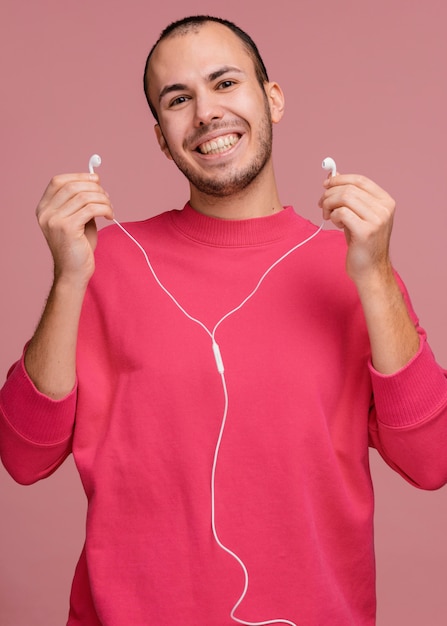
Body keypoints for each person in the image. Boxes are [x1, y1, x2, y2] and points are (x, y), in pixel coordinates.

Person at [1, 14, 447, 626]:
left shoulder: (354, 266)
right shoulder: (102, 260)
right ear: (161, 136)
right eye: (178, 99)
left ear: (272, 99)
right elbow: (24, 460)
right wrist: (69, 277)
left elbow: (432, 461)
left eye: (225, 83)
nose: (206, 112)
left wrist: (375, 276)